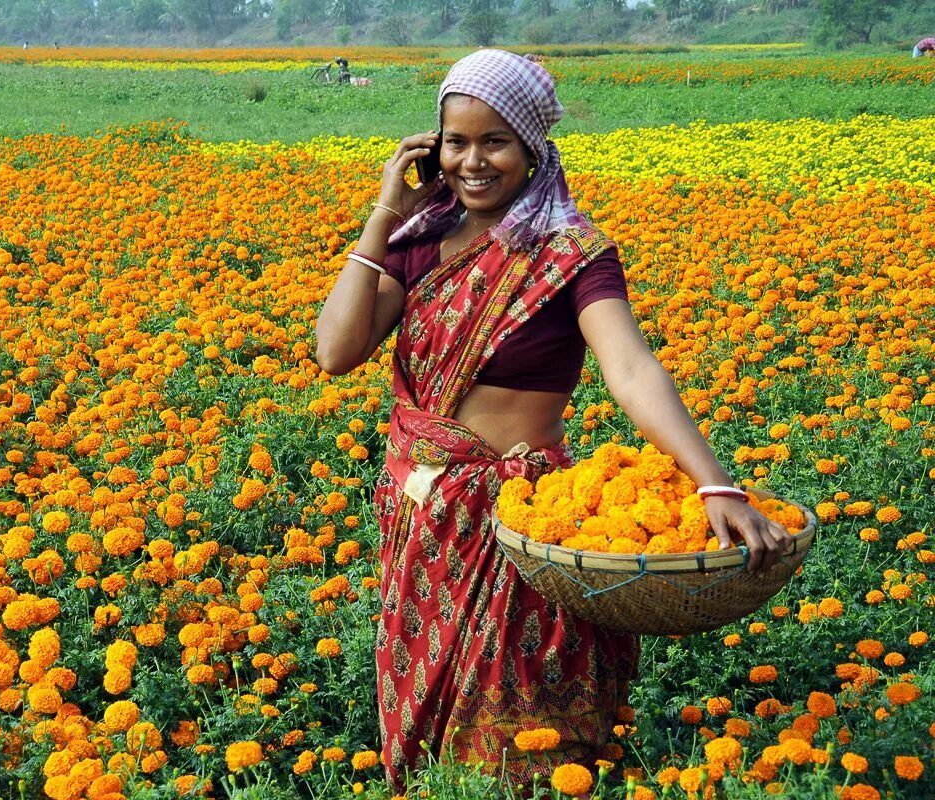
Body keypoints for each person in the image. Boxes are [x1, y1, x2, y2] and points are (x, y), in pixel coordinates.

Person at [315, 49, 792, 789]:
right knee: (428, 720)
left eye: (495, 141)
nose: (472, 161)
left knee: (517, 733)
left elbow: (630, 370)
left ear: (533, 147)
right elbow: (336, 350)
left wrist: (715, 486)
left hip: (515, 528)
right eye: (456, 141)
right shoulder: (419, 248)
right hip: (419, 522)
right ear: (432, 148)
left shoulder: (575, 256)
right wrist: (386, 213)